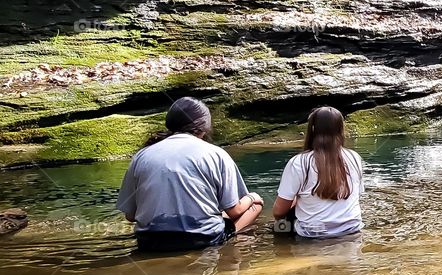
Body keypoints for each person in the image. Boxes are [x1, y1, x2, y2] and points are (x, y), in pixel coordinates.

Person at [116, 97, 263, 251]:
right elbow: (235, 210)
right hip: (201, 239)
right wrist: (252, 197)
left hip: (149, 241)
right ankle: (228, 243)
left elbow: (130, 216)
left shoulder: (141, 156)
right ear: (203, 128)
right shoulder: (217, 154)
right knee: (256, 206)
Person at [272, 106, 364, 238]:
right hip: (352, 229)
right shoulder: (355, 158)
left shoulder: (299, 162)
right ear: (341, 130)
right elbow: (355, 196)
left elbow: (278, 212)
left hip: (313, 234)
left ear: (312, 129)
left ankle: (284, 252)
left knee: (279, 226)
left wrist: (296, 201)